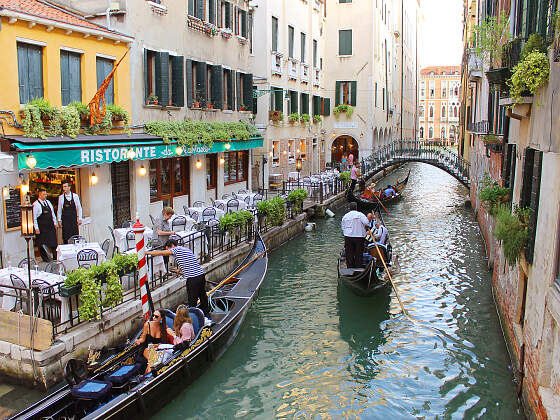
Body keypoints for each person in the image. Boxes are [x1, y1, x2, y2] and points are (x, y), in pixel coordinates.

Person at [147, 239, 210, 316]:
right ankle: (206, 313)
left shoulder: (175, 250)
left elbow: (161, 253)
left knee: (192, 299)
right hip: (201, 275)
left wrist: (147, 252)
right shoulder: (185, 249)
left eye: (168, 249)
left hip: (193, 278)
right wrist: (179, 269)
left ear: (172, 246)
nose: (169, 252)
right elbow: (187, 260)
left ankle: (191, 318)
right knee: (202, 295)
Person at [134, 308, 170, 373]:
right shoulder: (147, 325)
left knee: (151, 362)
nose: (153, 318)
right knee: (152, 361)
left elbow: (163, 343)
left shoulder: (164, 328)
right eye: (153, 315)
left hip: (156, 350)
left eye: (156, 317)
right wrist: (139, 341)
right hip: (146, 349)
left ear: (161, 318)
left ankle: (144, 376)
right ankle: (145, 377)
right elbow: (143, 338)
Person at [341, 202, 372, 268]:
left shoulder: (345, 216)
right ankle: (358, 267)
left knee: (349, 253)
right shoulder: (360, 215)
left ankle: (350, 267)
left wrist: (346, 233)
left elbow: (343, 227)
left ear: (349, 208)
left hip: (348, 237)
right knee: (359, 253)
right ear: (356, 208)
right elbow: (366, 223)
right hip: (359, 237)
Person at [33, 189, 58, 261]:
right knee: (42, 243)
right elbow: (34, 217)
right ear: (40, 195)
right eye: (44, 194)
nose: (46, 196)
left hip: (50, 226)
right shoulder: (36, 205)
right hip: (42, 228)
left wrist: (55, 223)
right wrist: (36, 228)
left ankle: (55, 257)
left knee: (53, 243)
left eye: (46, 194)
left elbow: (52, 213)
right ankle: (45, 259)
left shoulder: (48, 202)